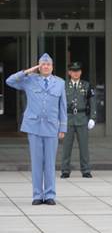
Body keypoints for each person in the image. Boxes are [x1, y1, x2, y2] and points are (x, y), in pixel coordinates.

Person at [5, 53, 67, 205]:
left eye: (48, 64)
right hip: (34, 126)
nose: (45, 66)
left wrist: (63, 127)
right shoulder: (30, 80)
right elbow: (9, 81)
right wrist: (27, 71)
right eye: (42, 64)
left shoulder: (60, 83)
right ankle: (37, 195)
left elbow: (63, 107)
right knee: (37, 162)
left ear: (52, 67)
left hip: (52, 126)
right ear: (39, 66)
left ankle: (50, 194)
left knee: (50, 162)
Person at [61, 62, 96, 179]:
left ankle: (86, 170)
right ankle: (65, 170)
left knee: (84, 147)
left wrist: (92, 118)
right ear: (69, 72)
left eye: (78, 71)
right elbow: (58, 104)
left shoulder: (86, 85)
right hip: (68, 119)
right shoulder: (64, 86)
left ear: (80, 72)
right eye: (73, 71)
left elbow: (92, 102)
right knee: (66, 147)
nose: (75, 73)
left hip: (82, 119)